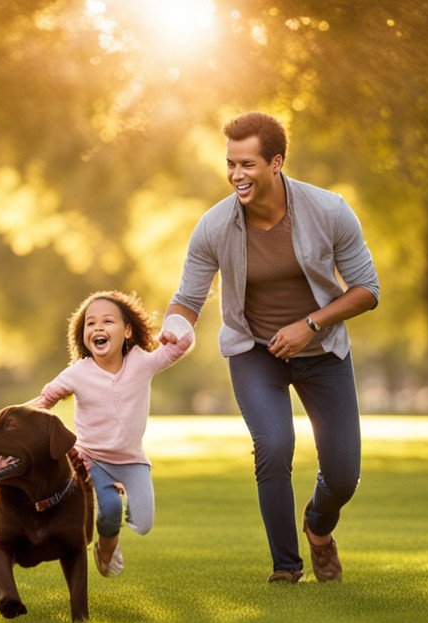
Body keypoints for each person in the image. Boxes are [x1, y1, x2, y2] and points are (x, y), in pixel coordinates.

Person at [161, 112, 380, 584]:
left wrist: (310, 324)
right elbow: (188, 299)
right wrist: (173, 328)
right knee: (274, 445)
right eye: (230, 164)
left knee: (342, 476)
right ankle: (287, 566)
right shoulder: (213, 227)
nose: (236, 175)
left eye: (248, 164)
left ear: (276, 162)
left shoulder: (329, 211)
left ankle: (318, 529)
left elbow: (367, 290)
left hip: (323, 352)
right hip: (254, 351)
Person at [27, 290, 193, 578]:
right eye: (90, 324)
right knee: (111, 507)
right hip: (93, 458)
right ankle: (105, 551)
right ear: (83, 336)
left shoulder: (142, 361)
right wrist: (9, 419)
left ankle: (111, 536)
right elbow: (45, 399)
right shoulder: (78, 373)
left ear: (127, 330)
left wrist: (175, 332)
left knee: (143, 523)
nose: (98, 328)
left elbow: (179, 347)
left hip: (132, 460)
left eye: (107, 321)